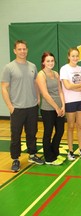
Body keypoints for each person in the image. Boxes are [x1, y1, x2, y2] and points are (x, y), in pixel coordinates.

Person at [1, 40, 44, 172]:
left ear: (27, 50)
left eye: (24, 49)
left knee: (32, 133)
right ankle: (15, 159)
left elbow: (36, 83)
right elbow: (4, 88)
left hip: (31, 107)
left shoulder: (32, 66)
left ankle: (32, 154)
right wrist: (10, 106)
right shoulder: (9, 67)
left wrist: (37, 98)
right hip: (17, 108)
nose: (22, 51)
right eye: (19, 49)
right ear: (15, 51)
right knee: (16, 135)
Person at [36, 52, 66, 165]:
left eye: (52, 61)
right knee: (48, 132)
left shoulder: (56, 74)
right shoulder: (41, 75)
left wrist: (63, 106)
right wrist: (56, 108)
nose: (50, 63)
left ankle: (55, 153)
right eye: (48, 61)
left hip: (59, 107)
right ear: (43, 62)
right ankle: (49, 158)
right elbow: (45, 94)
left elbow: (60, 91)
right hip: (48, 109)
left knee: (60, 131)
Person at [60, 48, 81, 161]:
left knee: (80, 126)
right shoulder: (64, 69)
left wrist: (75, 86)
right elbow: (67, 86)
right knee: (70, 127)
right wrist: (79, 85)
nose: (75, 58)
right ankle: (70, 151)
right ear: (69, 56)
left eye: (77, 56)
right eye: (73, 56)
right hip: (69, 101)